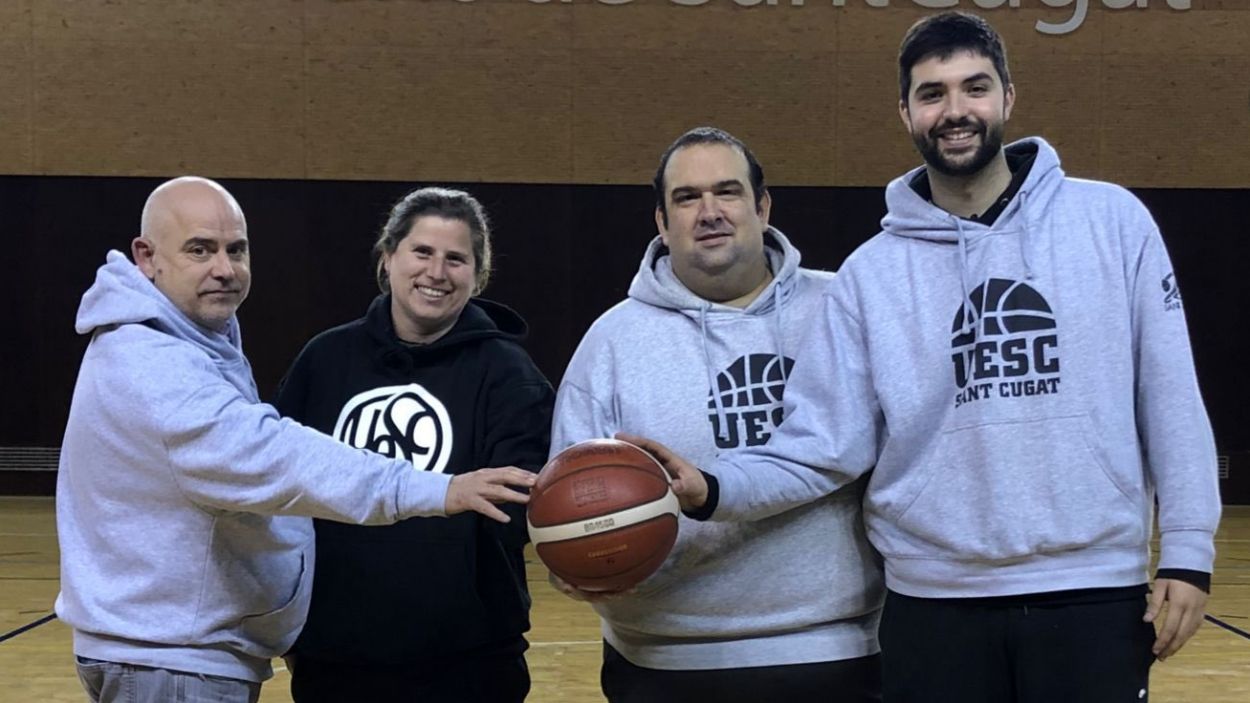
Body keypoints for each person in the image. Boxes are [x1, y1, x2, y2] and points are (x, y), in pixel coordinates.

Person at [630, 13, 1221, 703]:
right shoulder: (870, 275)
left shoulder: (1111, 222)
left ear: (1008, 97)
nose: (955, 110)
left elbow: (1170, 393)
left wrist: (1187, 549)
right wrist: (715, 487)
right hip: (931, 603)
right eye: (932, 93)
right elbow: (820, 443)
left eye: (974, 87)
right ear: (906, 111)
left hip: (1091, 591)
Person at [55, 177, 536, 703]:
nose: (223, 268)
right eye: (200, 249)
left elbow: (521, 509)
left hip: (459, 665)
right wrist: (439, 490)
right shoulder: (165, 364)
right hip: (184, 657)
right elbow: (279, 463)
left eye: (235, 250)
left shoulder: (188, 345)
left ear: (479, 272)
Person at [550, 127, 884, 703]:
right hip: (661, 660)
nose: (709, 212)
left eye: (727, 192)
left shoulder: (841, 307)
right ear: (661, 220)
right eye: (687, 198)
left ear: (762, 206)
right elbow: (570, 487)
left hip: (837, 650)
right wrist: (574, 556)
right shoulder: (611, 340)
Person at [273, 187, 554, 702]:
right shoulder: (325, 360)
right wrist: (291, 626)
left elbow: (518, 510)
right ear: (389, 257)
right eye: (422, 252)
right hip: (336, 659)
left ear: (478, 273)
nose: (436, 272)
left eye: (456, 259)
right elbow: (281, 488)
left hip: (470, 665)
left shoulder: (510, 374)